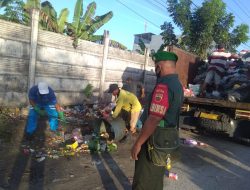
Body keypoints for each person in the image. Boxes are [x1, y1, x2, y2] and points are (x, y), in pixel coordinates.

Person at [131, 51, 183, 190]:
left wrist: (138, 143)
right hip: (166, 140)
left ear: (159, 66)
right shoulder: (177, 85)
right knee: (155, 178)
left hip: (154, 139)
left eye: (155, 66)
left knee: (143, 179)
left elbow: (154, 118)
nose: (155, 70)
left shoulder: (163, 86)